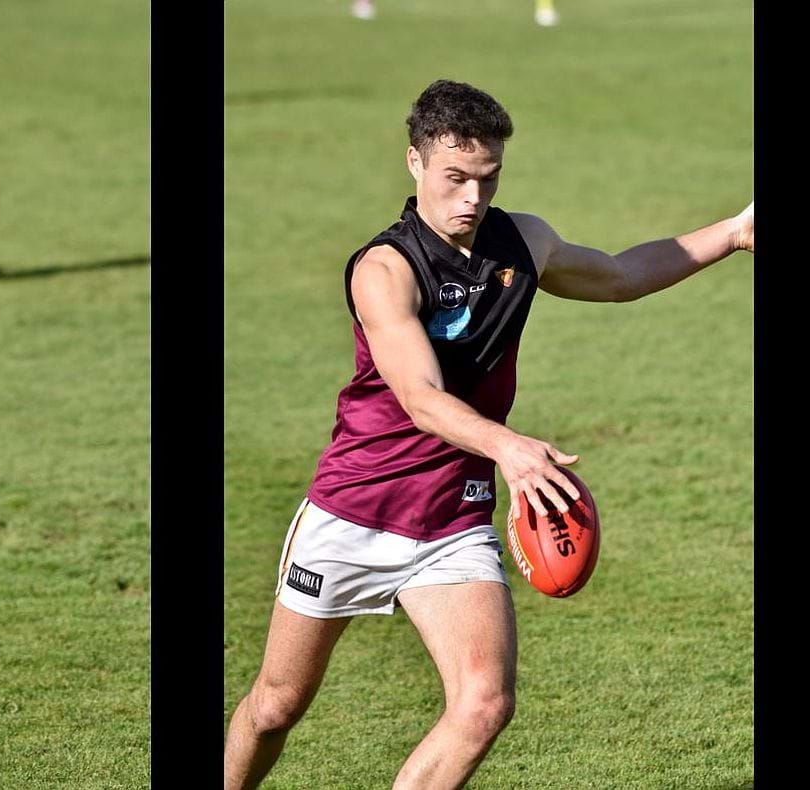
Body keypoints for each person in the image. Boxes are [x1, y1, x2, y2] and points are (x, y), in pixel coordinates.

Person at [222, 79, 753, 790]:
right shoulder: (385, 269)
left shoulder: (523, 241)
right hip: (354, 512)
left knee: (484, 704)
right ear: (414, 162)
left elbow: (622, 275)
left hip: (451, 520)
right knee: (277, 705)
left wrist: (735, 232)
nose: (472, 198)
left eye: (487, 177)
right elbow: (420, 398)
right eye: (455, 178)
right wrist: (507, 446)